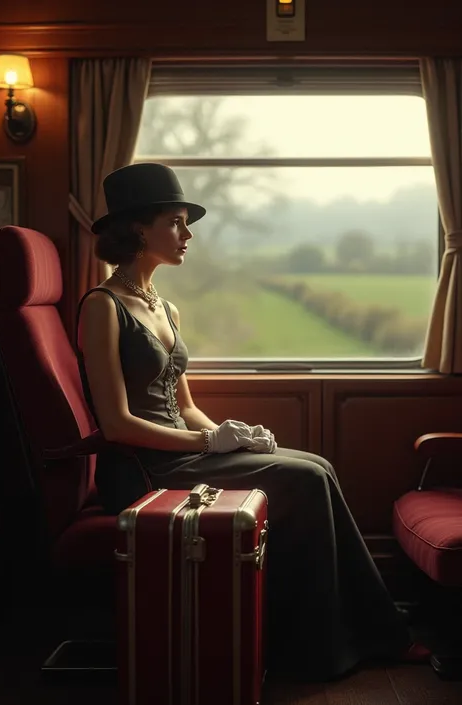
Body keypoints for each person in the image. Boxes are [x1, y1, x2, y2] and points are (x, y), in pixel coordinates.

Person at [76, 162, 429, 682]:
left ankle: (368, 625)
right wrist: (207, 442)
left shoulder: (167, 308)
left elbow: (186, 403)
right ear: (137, 229)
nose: (188, 234)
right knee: (305, 479)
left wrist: (233, 434)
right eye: (175, 222)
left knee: (318, 465)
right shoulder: (102, 306)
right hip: (145, 470)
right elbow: (117, 424)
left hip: (182, 451)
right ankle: (336, 643)